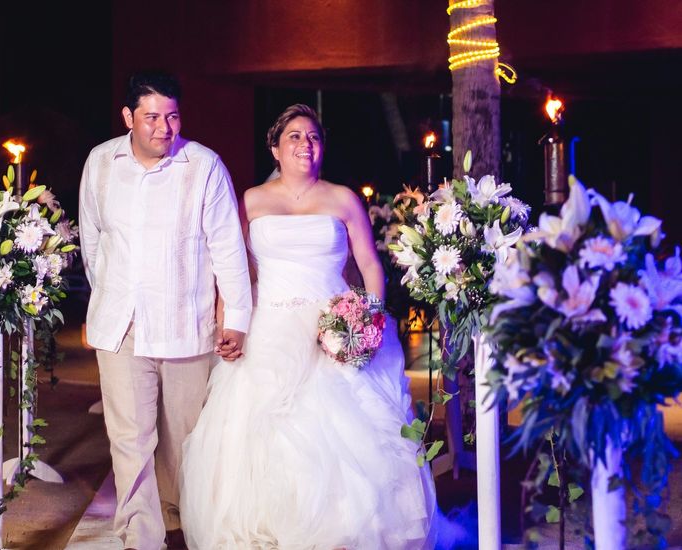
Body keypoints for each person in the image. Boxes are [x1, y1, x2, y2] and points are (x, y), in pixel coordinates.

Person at [180, 104, 437, 549]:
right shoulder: (251, 201)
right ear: (275, 148)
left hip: (334, 325)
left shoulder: (342, 198)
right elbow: (232, 269)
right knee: (263, 428)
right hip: (269, 325)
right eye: (295, 136)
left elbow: (370, 265)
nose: (306, 144)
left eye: (314, 137)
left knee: (349, 433)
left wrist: (368, 318)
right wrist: (228, 320)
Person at [79, 72, 252, 549]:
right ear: (128, 117)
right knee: (129, 441)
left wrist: (235, 319)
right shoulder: (100, 163)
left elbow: (228, 250)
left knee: (184, 444)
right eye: (152, 117)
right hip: (122, 329)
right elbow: (92, 241)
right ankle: (141, 537)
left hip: (185, 326)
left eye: (172, 116)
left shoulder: (204, 167)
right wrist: (109, 297)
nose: (163, 127)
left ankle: (180, 521)